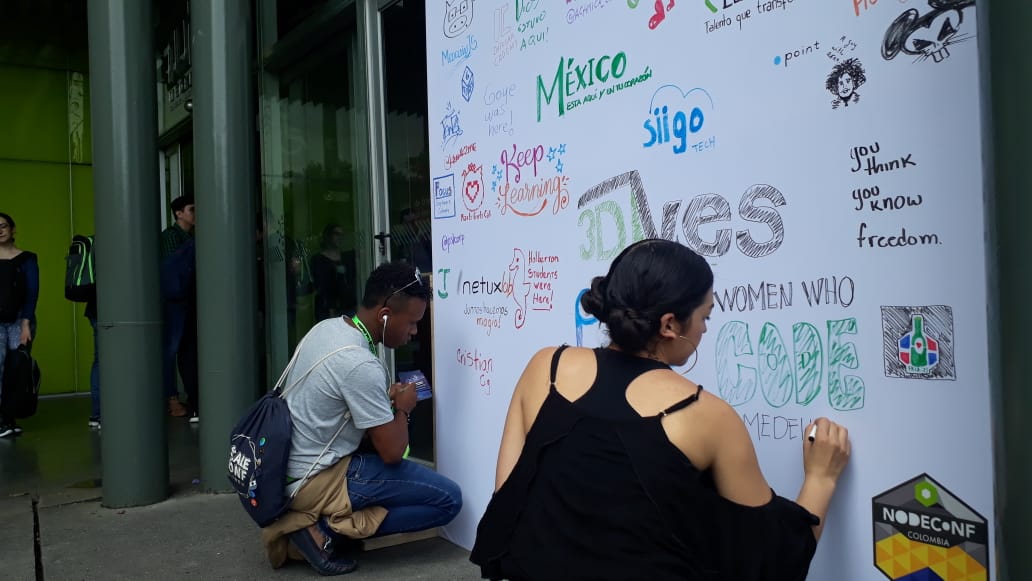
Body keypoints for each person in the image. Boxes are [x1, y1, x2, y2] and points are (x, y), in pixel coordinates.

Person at [470, 239, 851, 580]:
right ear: (670, 324)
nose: (705, 329)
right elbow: (770, 562)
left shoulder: (546, 367)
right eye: (705, 316)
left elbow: (507, 500)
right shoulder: (708, 416)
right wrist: (821, 478)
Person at [261, 261, 462, 576]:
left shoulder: (327, 329)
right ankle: (321, 532)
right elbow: (393, 452)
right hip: (315, 477)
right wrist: (403, 408)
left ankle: (322, 520)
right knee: (448, 499)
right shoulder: (360, 364)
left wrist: (381, 403)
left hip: (285, 469)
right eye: (412, 323)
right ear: (385, 315)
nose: (414, 332)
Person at [159, 195, 198, 421]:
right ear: (178, 213)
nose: (195, 214)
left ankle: (189, 398)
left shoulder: (189, 236)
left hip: (186, 303)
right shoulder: (171, 237)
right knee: (171, 351)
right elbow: (174, 273)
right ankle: (172, 400)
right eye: (192, 209)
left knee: (186, 352)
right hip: (174, 304)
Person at [0, 212, 39, 438]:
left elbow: (32, 293)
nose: (0, 230)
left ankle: (9, 417)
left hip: (18, 320)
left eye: (3, 225)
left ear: (12, 229)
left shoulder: (27, 258)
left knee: (15, 368)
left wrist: (26, 324)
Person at [310, 223, 357, 321]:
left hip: (347, 307)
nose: (340, 238)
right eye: (337, 234)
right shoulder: (318, 260)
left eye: (342, 235)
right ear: (328, 236)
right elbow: (321, 285)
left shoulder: (347, 257)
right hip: (326, 308)